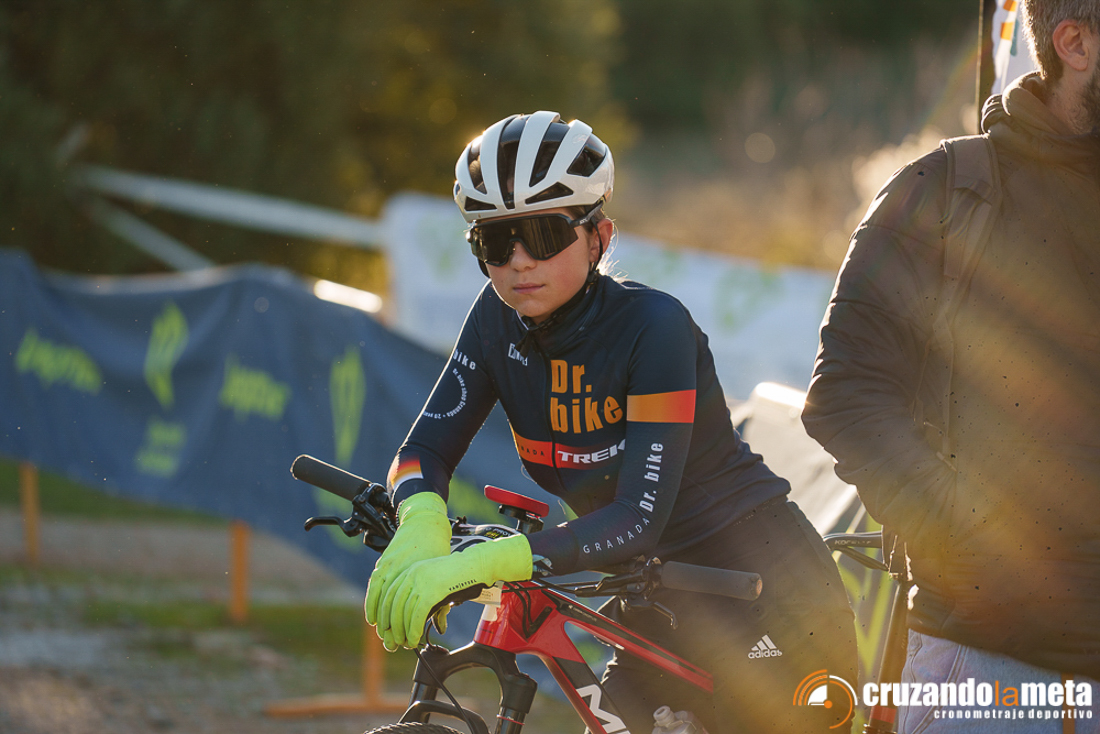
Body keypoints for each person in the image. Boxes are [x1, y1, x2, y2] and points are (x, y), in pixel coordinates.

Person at [364, 110, 857, 733]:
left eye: (543, 234)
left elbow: (637, 519)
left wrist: (492, 562)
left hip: (766, 596)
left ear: (599, 237)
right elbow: (424, 451)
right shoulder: (494, 319)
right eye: (494, 241)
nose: (518, 261)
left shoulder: (654, 329)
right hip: (654, 601)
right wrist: (419, 519)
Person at [802, 2, 1100, 731]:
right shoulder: (943, 190)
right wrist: (962, 537)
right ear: (1074, 43)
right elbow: (847, 391)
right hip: (989, 674)